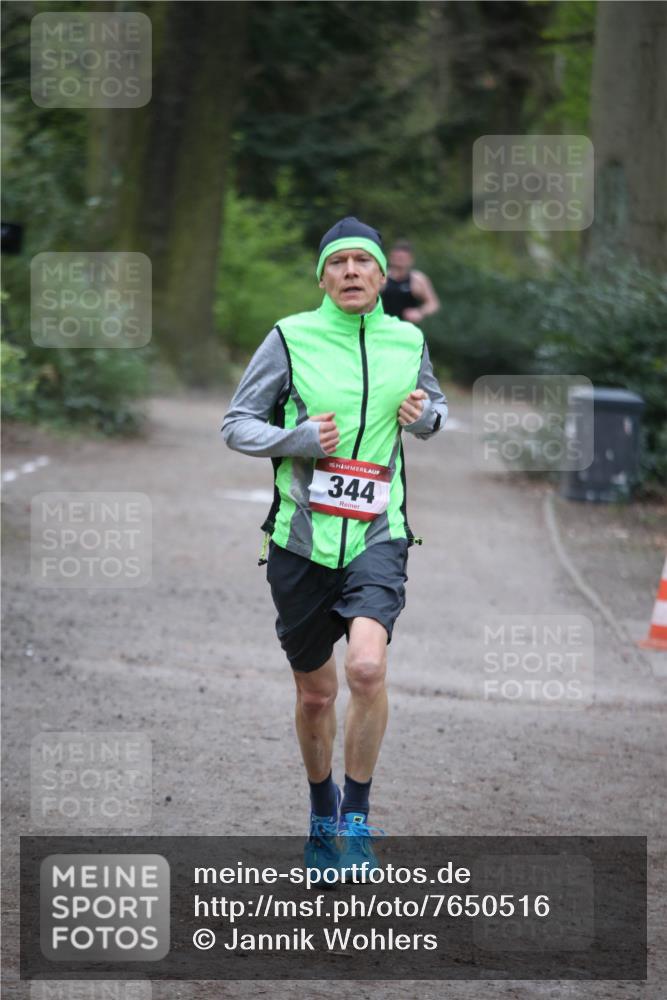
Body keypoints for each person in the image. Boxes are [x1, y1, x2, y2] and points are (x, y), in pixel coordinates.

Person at [222, 217, 447, 881]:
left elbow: (431, 410)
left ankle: (357, 818)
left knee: (367, 670)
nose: (351, 271)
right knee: (317, 695)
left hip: (379, 533)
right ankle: (321, 813)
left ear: (383, 276)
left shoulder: (407, 338)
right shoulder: (290, 337)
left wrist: (425, 418)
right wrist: (296, 440)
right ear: (322, 276)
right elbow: (236, 424)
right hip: (300, 540)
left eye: (363, 261)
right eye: (338, 262)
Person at [381, 239, 440, 323]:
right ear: (391, 258)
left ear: (411, 260)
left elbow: (433, 304)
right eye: (397, 257)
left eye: (403, 258)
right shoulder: (381, 278)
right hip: (383, 327)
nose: (399, 260)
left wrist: (419, 312)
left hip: (408, 329)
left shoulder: (418, 279)